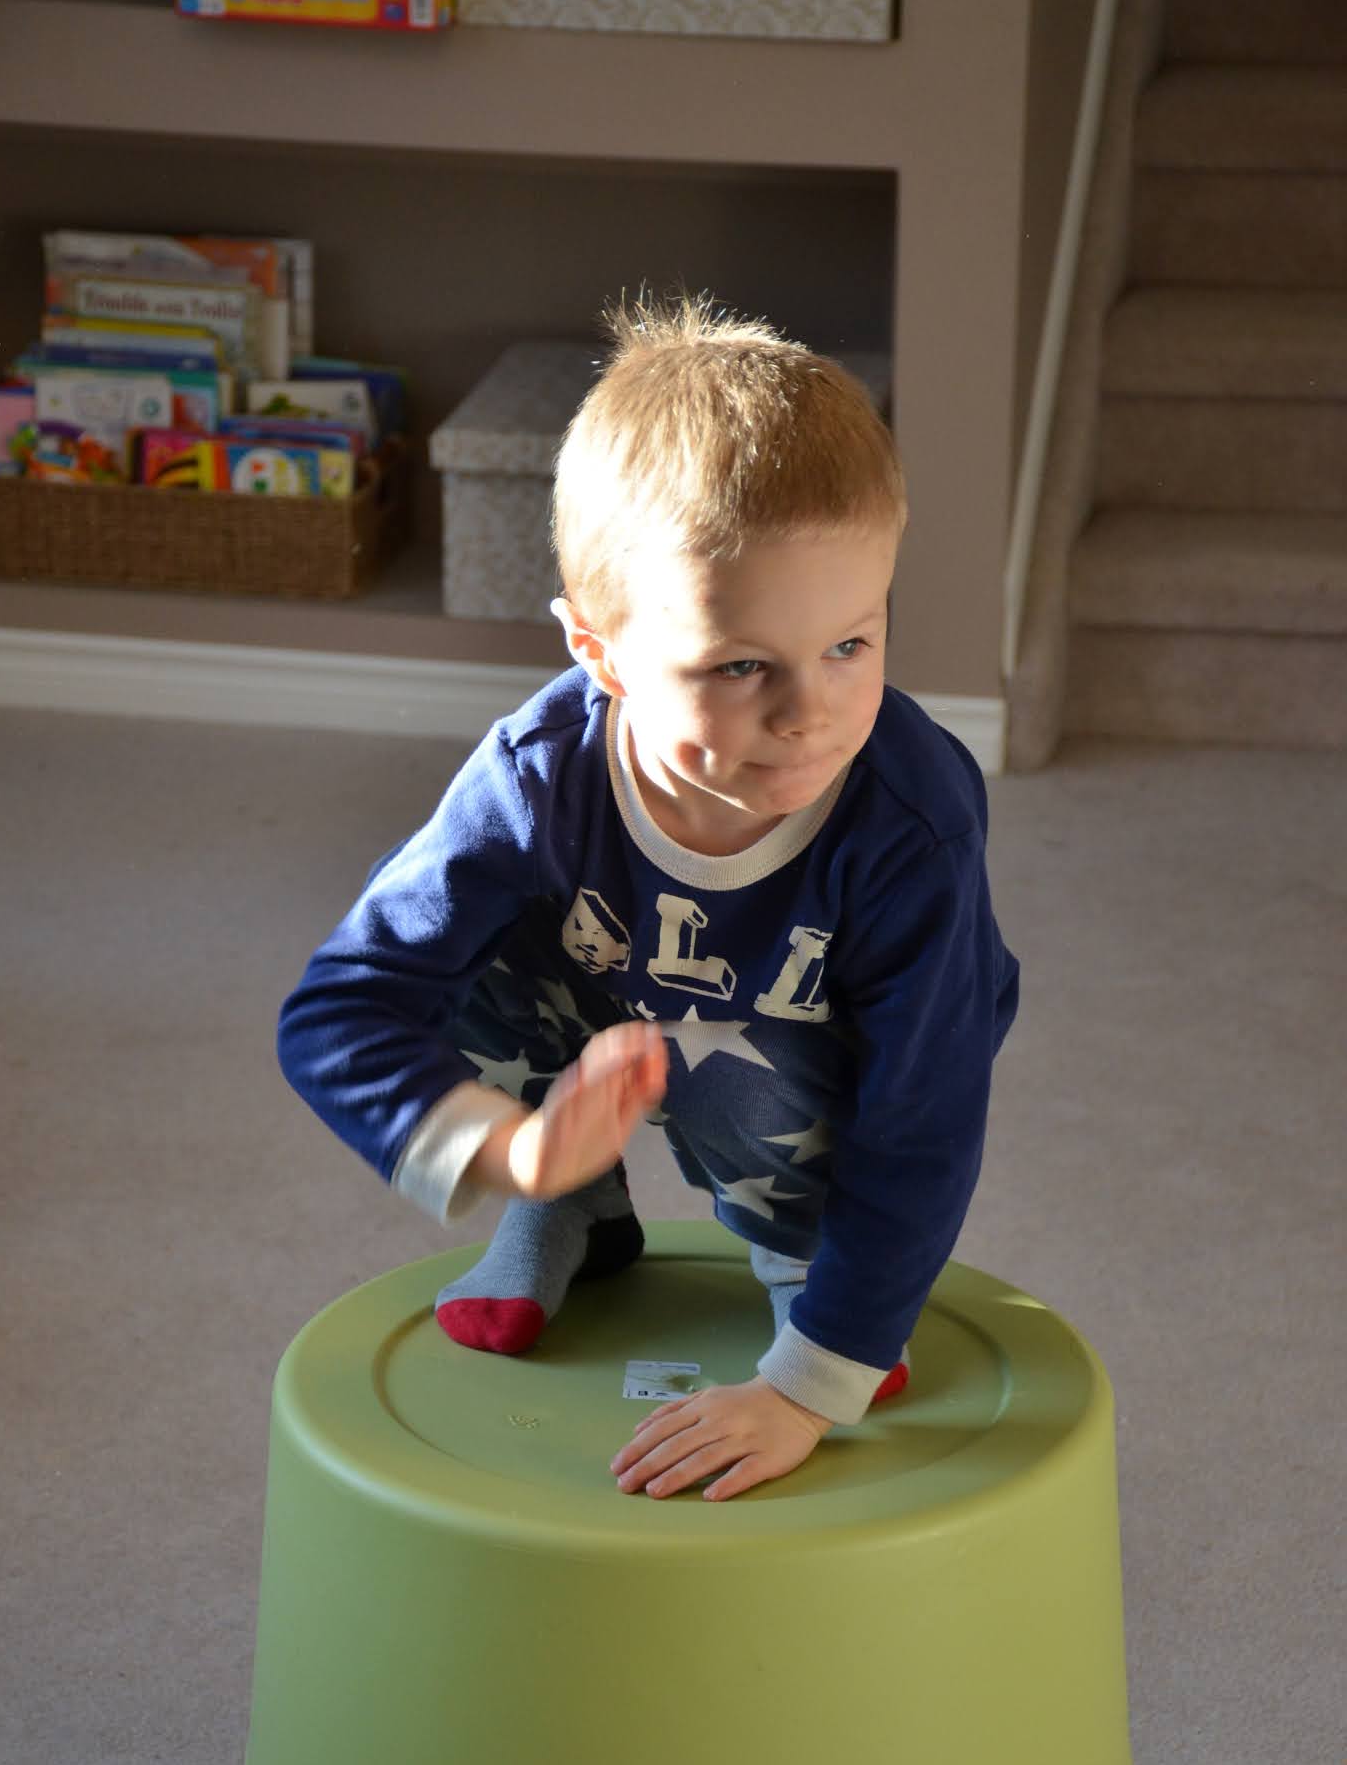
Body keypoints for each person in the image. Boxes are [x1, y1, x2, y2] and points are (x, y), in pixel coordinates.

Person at [277, 288, 1020, 1503]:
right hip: (598, 1027)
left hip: (818, 1057)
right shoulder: (537, 776)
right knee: (473, 939)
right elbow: (341, 1007)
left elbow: (924, 1117)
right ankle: (570, 1209)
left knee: (794, 1118)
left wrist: (809, 1382)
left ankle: (799, 1249)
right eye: (739, 665)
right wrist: (512, 1147)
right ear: (599, 653)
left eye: (852, 643)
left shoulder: (911, 819)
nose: (809, 710)